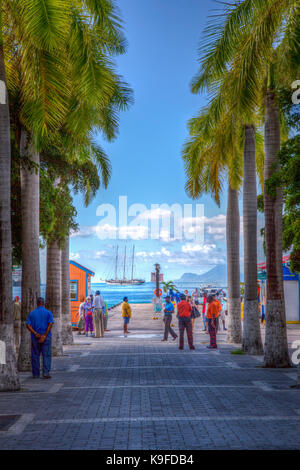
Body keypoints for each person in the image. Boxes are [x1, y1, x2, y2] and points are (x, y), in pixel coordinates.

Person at [26, 297, 54, 379]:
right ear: (44, 303)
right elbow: (50, 324)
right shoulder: (48, 313)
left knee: (35, 355)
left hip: (35, 337)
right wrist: (45, 335)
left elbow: (28, 325)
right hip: (46, 337)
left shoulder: (32, 313)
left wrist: (35, 333)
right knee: (47, 355)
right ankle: (45, 373)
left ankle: (36, 374)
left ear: (37, 304)